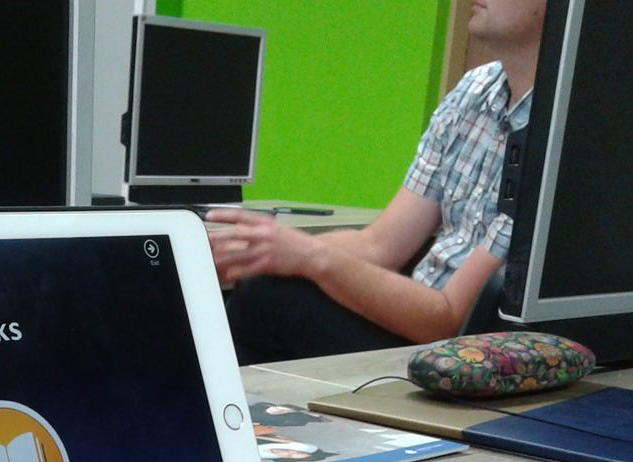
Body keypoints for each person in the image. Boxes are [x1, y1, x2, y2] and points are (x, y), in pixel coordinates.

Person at [209, 0, 546, 365]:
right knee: (259, 287)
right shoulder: (473, 90)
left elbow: (451, 320)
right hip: (420, 320)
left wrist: (308, 256)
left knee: (267, 298)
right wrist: (259, 252)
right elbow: (378, 245)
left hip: (467, 355)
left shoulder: (559, 139)